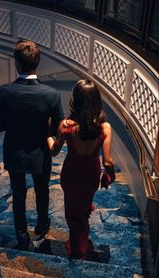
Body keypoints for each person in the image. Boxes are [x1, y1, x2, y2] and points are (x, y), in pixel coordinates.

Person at [0, 40, 64, 250]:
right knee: (42, 190)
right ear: (38, 62)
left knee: (18, 194)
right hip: (40, 152)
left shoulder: (3, 92)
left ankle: (22, 236)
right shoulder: (51, 94)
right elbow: (56, 129)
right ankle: (42, 226)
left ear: (16, 63)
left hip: (14, 150)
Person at [47, 79, 115, 259]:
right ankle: (82, 240)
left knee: (72, 212)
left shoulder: (66, 125)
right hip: (91, 175)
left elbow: (54, 151)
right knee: (83, 209)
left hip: (71, 174)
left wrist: (47, 134)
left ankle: (79, 248)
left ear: (75, 100)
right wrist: (111, 177)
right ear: (96, 101)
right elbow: (108, 162)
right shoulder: (105, 127)